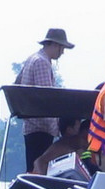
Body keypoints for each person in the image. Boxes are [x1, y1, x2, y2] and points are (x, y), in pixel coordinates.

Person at [15, 28, 74, 172]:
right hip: (41, 126)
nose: (62, 52)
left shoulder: (32, 58)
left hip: (31, 125)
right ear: (54, 45)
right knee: (39, 167)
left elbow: (17, 83)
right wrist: (59, 125)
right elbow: (47, 98)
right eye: (61, 48)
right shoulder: (42, 62)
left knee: (33, 166)